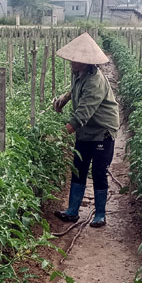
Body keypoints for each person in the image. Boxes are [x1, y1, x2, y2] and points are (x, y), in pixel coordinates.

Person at [52, 32, 120, 227]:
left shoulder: (95, 82)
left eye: (77, 60)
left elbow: (82, 115)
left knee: (98, 171)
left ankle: (100, 214)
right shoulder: (79, 73)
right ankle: (72, 211)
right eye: (73, 59)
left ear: (88, 62)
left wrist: (57, 136)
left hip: (102, 131)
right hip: (85, 131)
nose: (73, 62)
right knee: (78, 168)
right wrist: (64, 99)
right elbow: (75, 88)